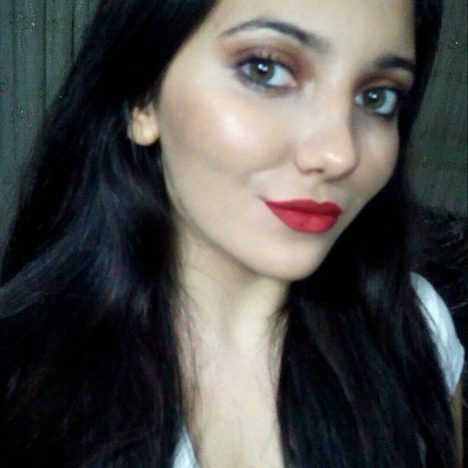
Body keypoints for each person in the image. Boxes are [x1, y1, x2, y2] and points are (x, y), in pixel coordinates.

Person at [0, 0, 464, 466]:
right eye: (266, 70)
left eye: (378, 97)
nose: (340, 154)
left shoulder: (415, 331)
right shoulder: (22, 381)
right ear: (144, 97)